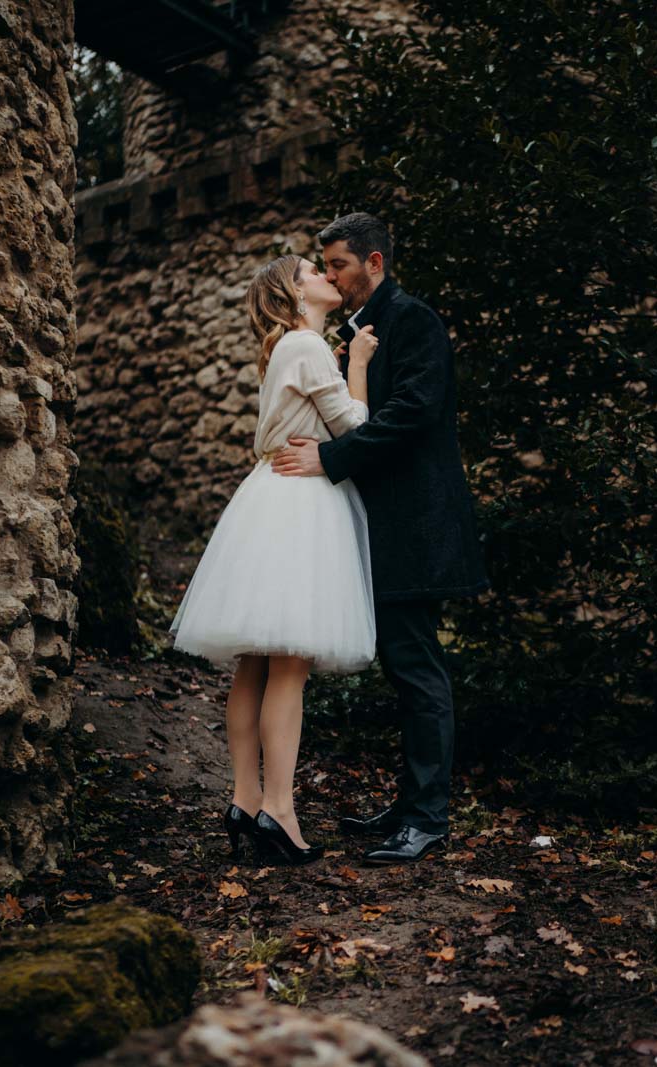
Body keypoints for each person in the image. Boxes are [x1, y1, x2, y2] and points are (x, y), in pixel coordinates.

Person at [273, 212, 489, 865]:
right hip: (383, 528)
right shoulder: (358, 332)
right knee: (403, 668)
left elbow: (412, 414)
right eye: (325, 266)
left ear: (374, 262)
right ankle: (410, 805)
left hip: (417, 528)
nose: (332, 276)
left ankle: (427, 818)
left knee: (418, 670)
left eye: (339, 264)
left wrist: (329, 459)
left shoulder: (414, 320)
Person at [169, 254, 381, 866]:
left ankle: (245, 798)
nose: (327, 277)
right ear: (294, 292)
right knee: (289, 665)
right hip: (301, 504)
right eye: (314, 271)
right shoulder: (308, 345)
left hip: (265, 497)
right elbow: (354, 429)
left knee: (254, 665)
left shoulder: (289, 348)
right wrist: (358, 366)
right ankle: (280, 811)